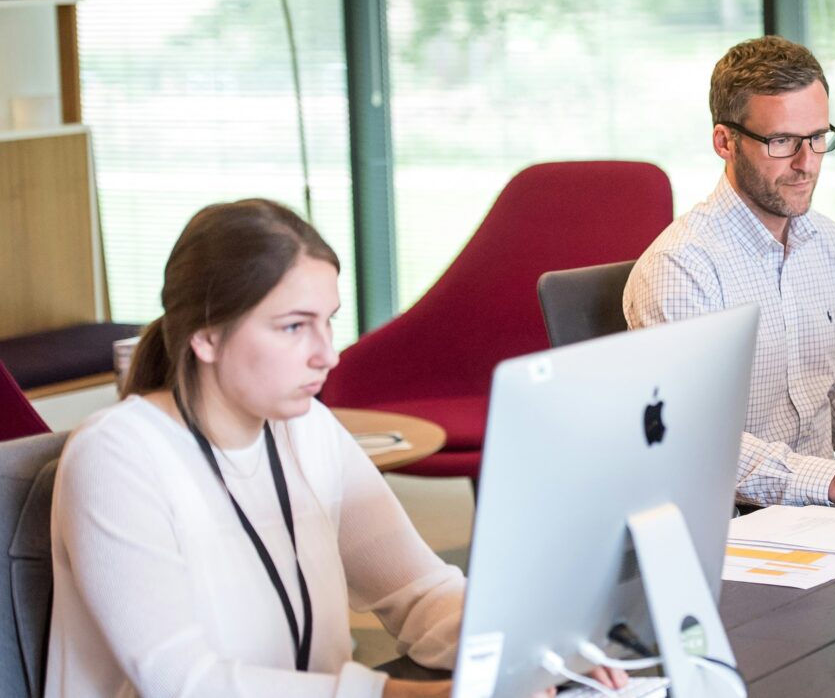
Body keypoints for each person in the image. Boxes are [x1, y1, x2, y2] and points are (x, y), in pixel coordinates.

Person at [45, 199, 624, 697]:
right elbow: (188, 684)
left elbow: (419, 592)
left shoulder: (307, 429)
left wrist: (535, 647)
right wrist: (406, 693)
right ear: (205, 334)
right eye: (295, 327)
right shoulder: (118, 456)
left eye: (329, 322)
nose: (328, 354)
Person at [624, 36, 835, 514]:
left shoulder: (827, 244)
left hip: (823, 520)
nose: (807, 163)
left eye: (818, 138)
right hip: (735, 530)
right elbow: (696, 441)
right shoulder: (682, 268)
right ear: (725, 141)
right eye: (781, 142)